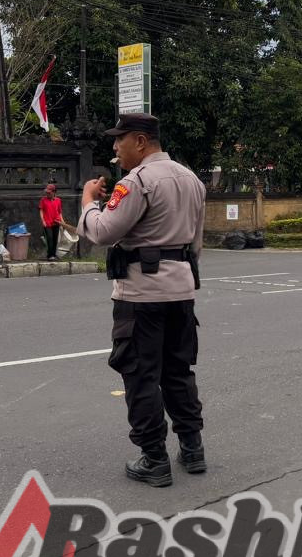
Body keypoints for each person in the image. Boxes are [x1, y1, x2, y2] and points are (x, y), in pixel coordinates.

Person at [78, 113, 207, 488]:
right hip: (181, 291)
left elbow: (103, 232)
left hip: (141, 295)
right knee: (178, 371)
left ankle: (154, 458)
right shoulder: (192, 179)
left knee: (141, 376)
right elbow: (195, 244)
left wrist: (88, 202)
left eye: (119, 141)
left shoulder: (137, 181)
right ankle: (192, 448)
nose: (115, 148)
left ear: (140, 141)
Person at [39, 182, 63, 262]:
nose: (47, 194)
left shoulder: (58, 200)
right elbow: (41, 210)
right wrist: (43, 220)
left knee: (55, 239)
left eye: (49, 193)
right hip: (47, 222)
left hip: (56, 222)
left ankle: (53, 254)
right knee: (49, 238)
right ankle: (50, 255)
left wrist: (63, 222)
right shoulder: (43, 200)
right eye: (46, 192)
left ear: (54, 192)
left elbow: (59, 212)